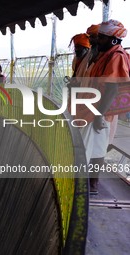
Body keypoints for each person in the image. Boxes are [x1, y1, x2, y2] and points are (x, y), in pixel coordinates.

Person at [73, 19, 130, 195]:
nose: (97, 41)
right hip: (91, 108)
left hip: (97, 111)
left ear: (113, 39)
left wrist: (99, 115)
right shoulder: (104, 55)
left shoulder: (116, 56)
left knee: (88, 148)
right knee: (95, 148)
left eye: (101, 38)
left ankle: (86, 186)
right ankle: (91, 186)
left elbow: (112, 88)